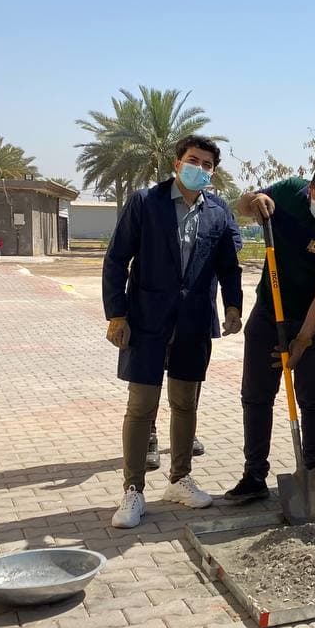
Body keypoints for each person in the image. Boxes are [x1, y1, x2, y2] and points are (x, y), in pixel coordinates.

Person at [102, 136, 243, 528]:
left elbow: (228, 266)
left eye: (207, 164)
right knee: (141, 405)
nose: (200, 168)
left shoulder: (217, 212)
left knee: (185, 402)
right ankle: (133, 490)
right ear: (177, 163)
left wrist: (233, 305)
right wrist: (116, 314)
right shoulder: (145, 203)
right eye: (193, 160)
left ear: (213, 171)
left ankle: (180, 479)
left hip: (194, 321)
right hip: (146, 319)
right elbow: (116, 259)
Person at [229, 164, 315, 503]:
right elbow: (243, 207)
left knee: (312, 398)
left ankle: (312, 472)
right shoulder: (289, 190)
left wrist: (303, 339)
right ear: (310, 190)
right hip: (269, 311)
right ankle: (254, 475)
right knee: (256, 395)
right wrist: (253, 199)